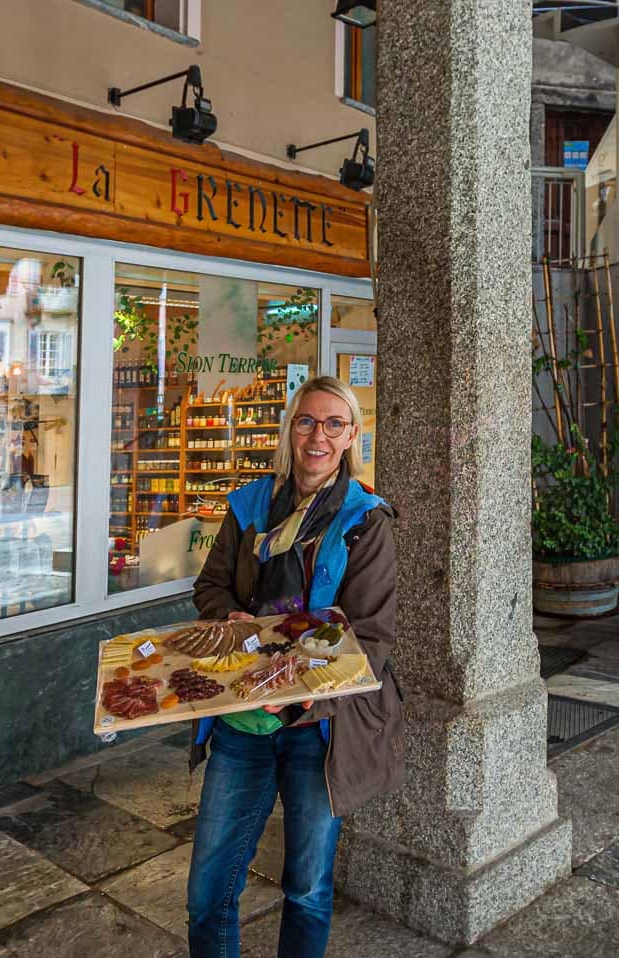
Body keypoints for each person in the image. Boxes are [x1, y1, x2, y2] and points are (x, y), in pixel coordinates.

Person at [186, 375, 405, 958]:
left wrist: (311, 690)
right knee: (208, 892)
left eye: (335, 424)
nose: (319, 436)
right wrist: (229, 615)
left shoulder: (366, 521)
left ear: (352, 435)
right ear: (291, 429)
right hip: (242, 721)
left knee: (306, 888)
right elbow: (208, 585)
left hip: (317, 730)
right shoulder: (251, 505)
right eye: (307, 421)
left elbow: (372, 636)